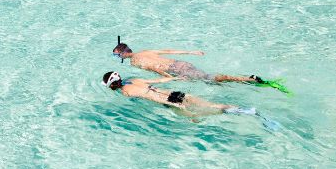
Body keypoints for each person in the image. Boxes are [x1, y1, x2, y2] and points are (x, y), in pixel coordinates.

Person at [112, 38, 290, 94]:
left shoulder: (136, 61)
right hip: (181, 63)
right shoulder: (144, 51)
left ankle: (249, 79)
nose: (116, 57)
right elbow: (169, 51)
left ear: (122, 53)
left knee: (211, 79)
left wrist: (170, 78)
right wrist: (191, 52)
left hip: (176, 70)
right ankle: (247, 81)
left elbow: (155, 69)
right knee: (211, 80)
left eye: (116, 55)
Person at [101, 71, 256, 116]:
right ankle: (243, 110)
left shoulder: (127, 92)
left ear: (113, 84)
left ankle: (238, 112)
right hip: (175, 92)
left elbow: (151, 97)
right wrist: (174, 77)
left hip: (169, 101)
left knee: (204, 113)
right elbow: (158, 81)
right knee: (210, 105)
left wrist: (182, 109)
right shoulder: (134, 80)